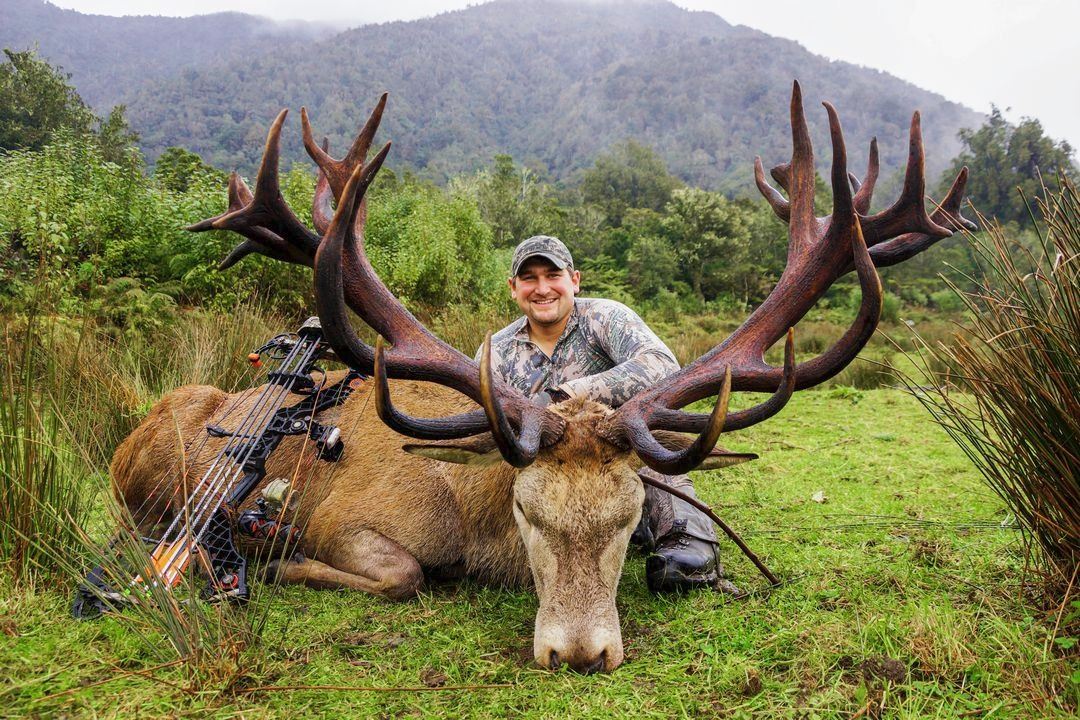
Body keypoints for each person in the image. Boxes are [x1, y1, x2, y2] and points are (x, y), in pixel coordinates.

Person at [481, 235, 730, 593]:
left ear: (574, 280)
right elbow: (480, 415)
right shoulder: (495, 351)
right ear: (513, 288)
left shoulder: (605, 317)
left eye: (553, 275)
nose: (542, 288)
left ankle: (688, 540)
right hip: (548, 473)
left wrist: (565, 394)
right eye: (529, 278)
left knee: (652, 452)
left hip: (614, 455)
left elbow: (661, 366)